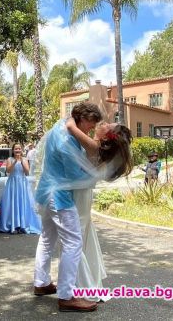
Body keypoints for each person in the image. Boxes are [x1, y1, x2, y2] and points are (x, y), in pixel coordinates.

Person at [33, 102, 132, 312]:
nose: (94, 125)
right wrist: (93, 175)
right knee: (73, 242)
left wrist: (75, 130)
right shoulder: (67, 141)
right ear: (81, 118)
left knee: (47, 238)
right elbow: (75, 177)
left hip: (45, 190)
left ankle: (41, 283)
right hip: (58, 196)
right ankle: (67, 296)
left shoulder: (63, 126)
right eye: (91, 122)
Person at [0, 143, 41, 234]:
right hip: (12, 183)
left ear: (22, 150)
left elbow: (27, 172)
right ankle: (13, 225)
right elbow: (8, 171)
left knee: (23, 203)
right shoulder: (9, 159)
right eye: (16, 149)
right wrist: (15, 161)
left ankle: (22, 225)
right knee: (12, 203)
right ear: (13, 150)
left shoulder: (25, 159)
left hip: (22, 184)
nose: (17, 150)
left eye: (19, 149)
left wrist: (22, 161)